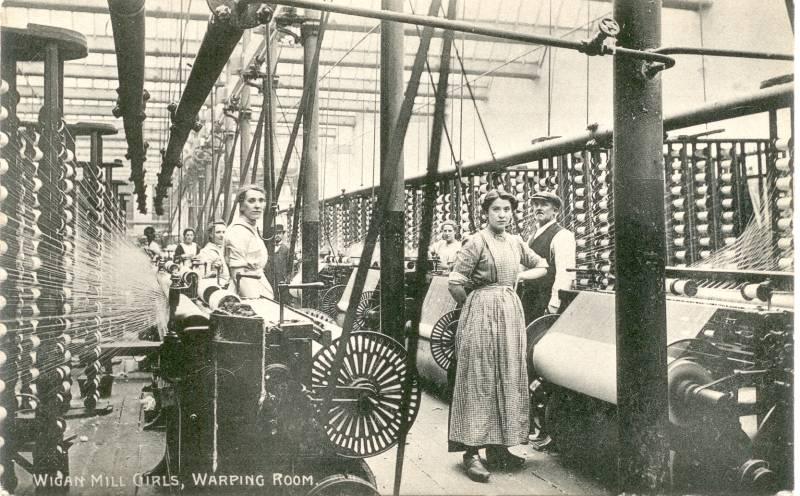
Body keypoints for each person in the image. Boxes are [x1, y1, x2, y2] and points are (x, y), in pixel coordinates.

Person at [447, 189, 542, 483]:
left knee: (508, 375)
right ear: (486, 213)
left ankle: (499, 448)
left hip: (510, 313)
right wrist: (475, 306)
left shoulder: (516, 242)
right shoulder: (475, 241)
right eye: (497, 209)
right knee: (479, 378)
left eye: (507, 209)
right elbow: (455, 282)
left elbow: (543, 265)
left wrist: (518, 277)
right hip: (480, 313)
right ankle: (471, 452)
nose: (503, 214)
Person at [516, 190, 576, 323]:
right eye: (535, 204)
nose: (538, 208)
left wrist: (554, 304)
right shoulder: (532, 236)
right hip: (530, 300)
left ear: (555, 211)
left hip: (547, 301)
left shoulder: (562, 235)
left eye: (544, 204)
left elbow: (565, 274)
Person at [223, 184, 273, 299]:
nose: (257, 206)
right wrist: (257, 304)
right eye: (251, 201)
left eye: (261, 201)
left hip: (258, 288)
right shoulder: (239, 231)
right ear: (241, 206)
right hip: (247, 295)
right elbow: (238, 275)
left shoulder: (251, 229)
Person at [197, 220, 230, 285]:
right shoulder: (206, 251)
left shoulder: (221, 249)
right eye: (218, 232)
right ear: (211, 235)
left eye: (224, 232)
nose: (222, 235)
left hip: (225, 284)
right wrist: (215, 273)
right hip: (215, 287)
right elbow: (203, 275)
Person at [265, 224, 291, 302]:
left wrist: (288, 278)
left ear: (282, 235)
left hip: (281, 278)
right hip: (270, 278)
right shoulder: (268, 248)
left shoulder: (286, 249)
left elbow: (290, 265)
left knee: (282, 299)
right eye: (275, 233)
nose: (277, 235)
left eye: (279, 233)